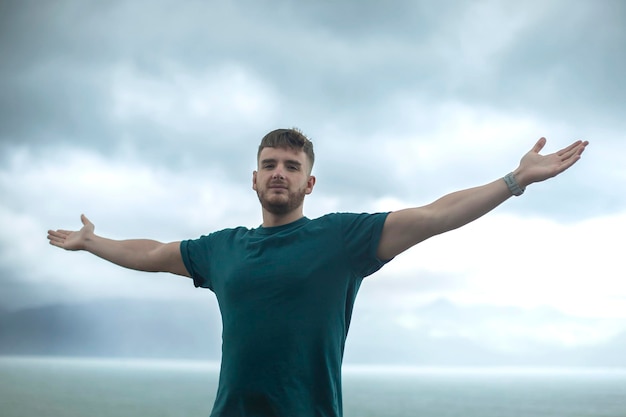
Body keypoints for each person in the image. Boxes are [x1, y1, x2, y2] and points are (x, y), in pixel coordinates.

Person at [47, 128, 588, 417]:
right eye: (269, 165)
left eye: (291, 166)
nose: (278, 173)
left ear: (309, 184)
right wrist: (94, 242)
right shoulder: (222, 250)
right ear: (253, 180)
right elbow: (153, 252)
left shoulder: (342, 239)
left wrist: (514, 180)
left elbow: (434, 215)